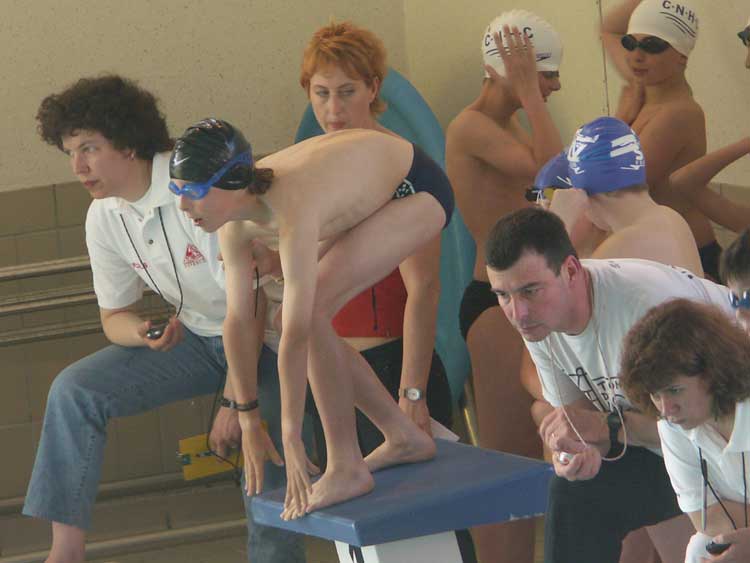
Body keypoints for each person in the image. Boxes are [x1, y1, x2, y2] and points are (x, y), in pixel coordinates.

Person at [22, 76, 307, 563]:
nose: (78, 167)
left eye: (89, 148)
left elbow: (251, 303)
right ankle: (65, 553)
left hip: (267, 338)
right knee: (74, 390)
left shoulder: (190, 184)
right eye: (70, 153)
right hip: (199, 338)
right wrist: (141, 333)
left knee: (264, 457)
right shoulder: (104, 215)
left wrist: (237, 401)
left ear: (128, 143)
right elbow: (113, 316)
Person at [169, 119, 450, 519]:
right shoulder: (234, 224)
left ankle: (346, 465)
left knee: (307, 313)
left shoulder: (290, 205)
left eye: (193, 192)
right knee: (291, 317)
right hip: (365, 185)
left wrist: (291, 434)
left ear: (231, 181)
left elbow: (299, 330)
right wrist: (247, 415)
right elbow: (239, 321)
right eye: (176, 190)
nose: (183, 206)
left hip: (414, 188)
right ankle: (403, 436)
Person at [484, 206, 732, 563]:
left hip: (727, 445)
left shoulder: (646, 309)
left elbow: (698, 426)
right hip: (670, 447)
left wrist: (608, 428)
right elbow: (581, 421)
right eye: (503, 295)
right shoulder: (538, 320)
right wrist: (579, 450)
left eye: (530, 291)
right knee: (573, 492)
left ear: (571, 270)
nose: (518, 313)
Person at [299, 20, 453, 460]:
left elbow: (424, 287)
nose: (333, 109)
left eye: (347, 92)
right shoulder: (313, 165)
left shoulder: (402, 167)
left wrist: (412, 392)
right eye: (321, 93)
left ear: (373, 88)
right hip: (328, 366)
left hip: (391, 367)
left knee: (417, 504)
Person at [446, 10, 563, 562]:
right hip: (495, 310)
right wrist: (531, 95)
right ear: (507, 70)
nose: (555, 86)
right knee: (508, 464)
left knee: (530, 463)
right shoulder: (470, 127)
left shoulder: (509, 125)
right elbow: (551, 170)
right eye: (546, 74)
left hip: (518, 303)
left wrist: (528, 94)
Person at [600, 0, 726, 280]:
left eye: (653, 45)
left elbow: (614, 186)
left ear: (682, 56)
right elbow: (609, 29)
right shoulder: (644, 83)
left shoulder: (678, 114)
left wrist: (621, 119)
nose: (637, 56)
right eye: (630, 43)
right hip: (662, 251)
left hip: (691, 256)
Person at [620, 299, 750, 563]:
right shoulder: (672, 423)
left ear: (713, 371)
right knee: (701, 547)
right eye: (655, 395)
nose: (666, 409)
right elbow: (704, 516)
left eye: (675, 390)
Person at [548, 116, 703, 276]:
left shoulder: (621, 247)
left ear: (583, 194)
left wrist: (559, 223)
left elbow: (551, 285)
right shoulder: (672, 218)